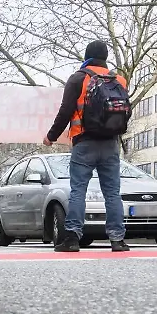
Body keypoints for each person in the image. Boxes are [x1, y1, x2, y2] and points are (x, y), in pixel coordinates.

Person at [45, 40, 132, 253]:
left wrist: (51, 136)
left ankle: (73, 238)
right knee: (112, 193)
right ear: (105, 57)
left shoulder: (78, 78)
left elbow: (65, 111)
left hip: (84, 142)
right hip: (111, 143)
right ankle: (117, 239)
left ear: (87, 57)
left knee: (78, 191)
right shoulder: (119, 80)